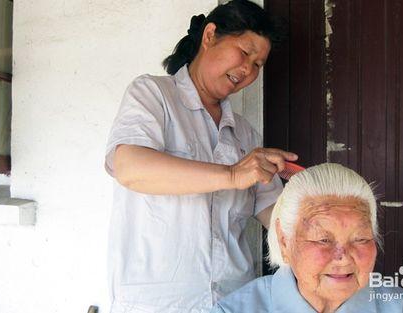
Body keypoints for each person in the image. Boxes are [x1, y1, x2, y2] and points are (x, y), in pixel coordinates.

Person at [104, 1, 296, 312]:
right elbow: (129, 167)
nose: (248, 70)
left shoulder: (245, 134)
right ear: (210, 36)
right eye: (245, 53)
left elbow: (272, 211)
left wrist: (317, 214)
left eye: (258, 64)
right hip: (159, 302)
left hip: (234, 299)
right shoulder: (154, 95)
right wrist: (231, 175)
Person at [211, 163, 403, 313]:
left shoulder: (402, 307)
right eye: (323, 239)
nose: (343, 257)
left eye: (360, 238)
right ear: (284, 241)